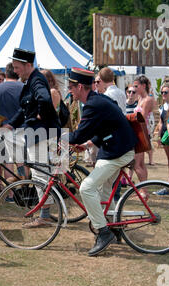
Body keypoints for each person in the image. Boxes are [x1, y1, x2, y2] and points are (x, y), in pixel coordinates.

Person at [66, 67, 136, 256]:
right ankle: (115, 228)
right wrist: (88, 144)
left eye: (71, 87)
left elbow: (79, 134)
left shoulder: (93, 104)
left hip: (118, 151)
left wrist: (57, 136)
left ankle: (104, 232)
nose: (69, 90)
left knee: (86, 188)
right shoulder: (98, 100)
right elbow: (106, 126)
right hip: (116, 147)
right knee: (104, 192)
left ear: (80, 86)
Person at [4, 48, 61, 228]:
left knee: (40, 173)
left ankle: (44, 216)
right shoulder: (31, 80)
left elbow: (44, 100)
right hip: (37, 133)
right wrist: (10, 124)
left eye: (17, 67)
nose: (15, 71)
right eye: (13, 67)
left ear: (28, 65)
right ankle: (43, 209)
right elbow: (24, 109)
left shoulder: (36, 80)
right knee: (39, 170)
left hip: (40, 134)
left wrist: (40, 116)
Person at [0, 62, 25, 190]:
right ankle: (24, 189)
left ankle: (10, 194)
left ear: (6, 74)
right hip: (22, 127)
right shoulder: (24, 87)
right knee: (21, 160)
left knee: (8, 161)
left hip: (4, 128)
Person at [132, 75, 155, 199]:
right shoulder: (140, 98)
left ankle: (144, 191)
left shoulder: (148, 100)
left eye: (137, 86)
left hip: (142, 133)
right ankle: (144, 190)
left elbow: (142, 117)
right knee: (140, 164)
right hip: (138, 132)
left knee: (137, 164)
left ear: (143, 86)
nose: (135, 88)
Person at [157, 83, 169, 169]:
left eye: (165, 92)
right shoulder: (162, 107)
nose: (163, 94)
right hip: (164, 134)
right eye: (162, 92)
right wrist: (159, 136)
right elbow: (161, 122)